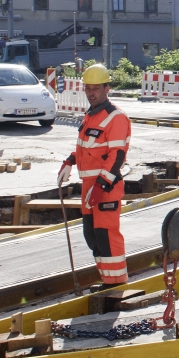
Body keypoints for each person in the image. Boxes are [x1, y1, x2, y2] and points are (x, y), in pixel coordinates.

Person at [58, 64, 132, 286]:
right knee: (93, 237)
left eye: (96, 89)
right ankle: (107, 280)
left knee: (107, 236)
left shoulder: (115, 118)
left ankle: (117, 284)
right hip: (90, 187)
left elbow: (117, 156)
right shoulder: (90, 116)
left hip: (105, 188)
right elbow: (87, 148)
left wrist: (101, 186)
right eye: (88, 88)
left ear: (107, 88)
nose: (91, 93)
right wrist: (69, 162)